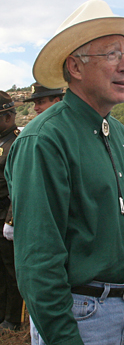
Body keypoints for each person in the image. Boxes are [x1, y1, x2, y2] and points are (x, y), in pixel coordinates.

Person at [5, 0, 124, 345]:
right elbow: (38, 261)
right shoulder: (44, 141)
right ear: (75, 66)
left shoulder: (120, 135)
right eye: (112, 55)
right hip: (80, 318)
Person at [0, 91, 22, 332]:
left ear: (8, 117)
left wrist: (12, 220)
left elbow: (18, 185)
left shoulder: (16, 142)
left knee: (12, 269)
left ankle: (13, 319)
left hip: (7, 214)